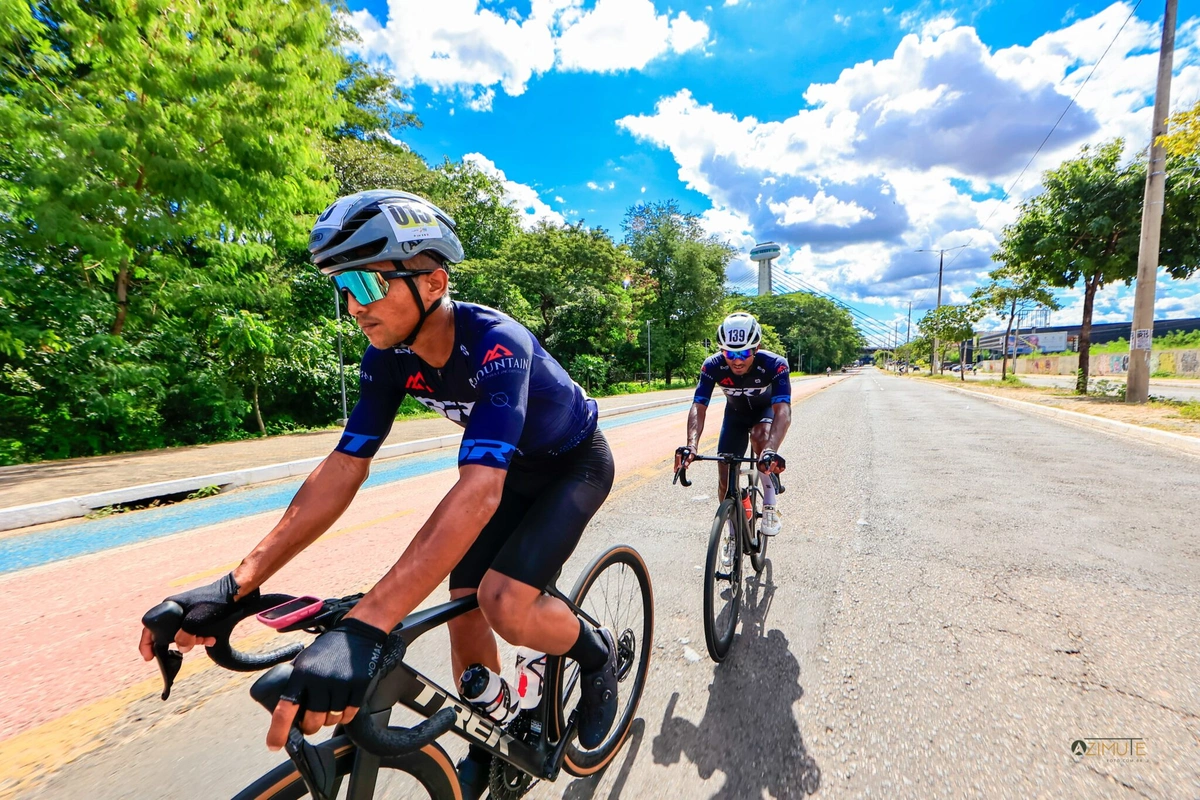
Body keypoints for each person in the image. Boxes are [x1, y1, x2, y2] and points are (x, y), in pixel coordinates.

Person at [138, 190, 619, 799]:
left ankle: (597, 655)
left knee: (504, 603)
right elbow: (344, 467)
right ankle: (491, 730)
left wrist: (367, 625)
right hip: (512, 473)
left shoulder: (498, 344)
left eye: (366, 285)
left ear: (434, 280)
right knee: (464, 597)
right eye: (342, 288)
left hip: (572, 465)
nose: (351, 307)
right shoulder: (388, 358)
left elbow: (477, 493)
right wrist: (238, 582)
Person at [674, 312, 790, 536]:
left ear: (757, 348)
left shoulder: (775, 365)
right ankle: (732, 531)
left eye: (745, 352)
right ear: (721, 350)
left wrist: (771, 450)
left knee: (760, 437)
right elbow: (699, 405)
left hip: (763, 415)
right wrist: (692, 445)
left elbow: (783, 411)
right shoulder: (712, 366)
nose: (737, 360)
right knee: (725, 479)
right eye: (730, 353)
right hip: (735, 416)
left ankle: (768, 501)